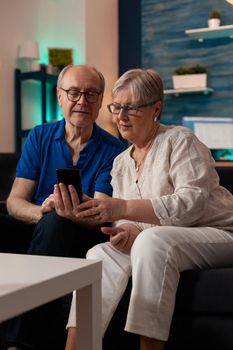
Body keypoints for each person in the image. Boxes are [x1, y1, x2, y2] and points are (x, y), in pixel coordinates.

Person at [64, 68, 233, 350]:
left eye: (131, 108)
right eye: (117, 107)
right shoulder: (120, 162)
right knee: (99, 254)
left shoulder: (180, 141)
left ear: (156, 108)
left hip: (219, 232)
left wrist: (123, 209)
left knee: (153, 242)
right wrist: (126, 230)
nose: (121, 116)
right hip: (164, 239)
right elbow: (130, 221)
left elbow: (190, 204)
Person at [2, 64, 125, 350]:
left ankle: (19, 342)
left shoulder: (114, 150)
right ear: (59, 97)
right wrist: (41, 211)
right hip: (37, 225)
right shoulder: (40, 136)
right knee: (42, 222)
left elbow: (101, 214)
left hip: (79, 234)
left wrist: (66, 213)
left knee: (57, 223)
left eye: (91, 94)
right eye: (73, 92)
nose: (82, 100)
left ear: (100, 100)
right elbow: (15, 201)